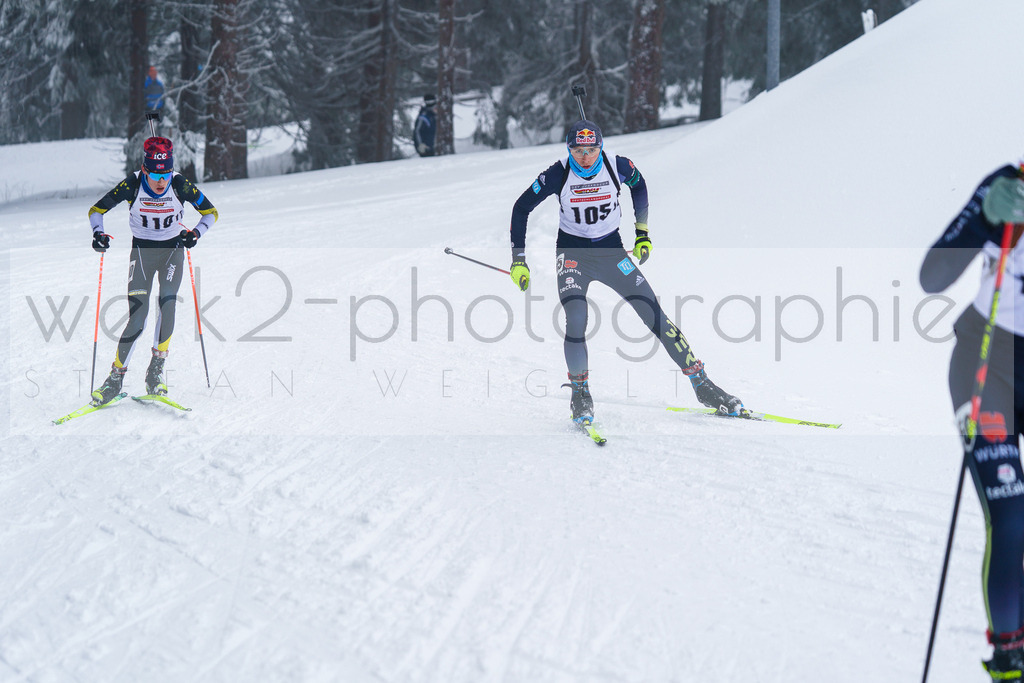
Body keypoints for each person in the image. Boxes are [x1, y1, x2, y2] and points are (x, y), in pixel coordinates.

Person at [508, 119, 743, 424]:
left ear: (600, 147)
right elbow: (520, 207)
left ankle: (703, 385)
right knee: (577, 317)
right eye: (578, 150)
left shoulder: (617, 166)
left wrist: (642, 233)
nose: (585, 157)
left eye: (591, 149)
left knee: (653, 313)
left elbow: (639, 185)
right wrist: (518, 260)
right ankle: (580, 394)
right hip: (573, 256)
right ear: (569, 150)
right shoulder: (558, 173)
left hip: (611, 252)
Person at [919, 162, 1024, 681]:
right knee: (1012, 516)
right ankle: (1011, 658)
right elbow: (931, 277)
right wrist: (985, 217)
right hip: (988, 364)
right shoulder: (1009, 184)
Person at [87, 136, 218, 405]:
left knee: (167, 304)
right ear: (145, 169)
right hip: (142, 253)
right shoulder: (132, 184)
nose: (162, 181)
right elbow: (96, 210)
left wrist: (195, 234)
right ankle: (115, 379)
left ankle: (155, 372)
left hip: (172, 252)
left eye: (166, 173)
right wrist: (98, 234)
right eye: (156, 174)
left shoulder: (180, 184)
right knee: (138, 314)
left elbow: (211, 213)